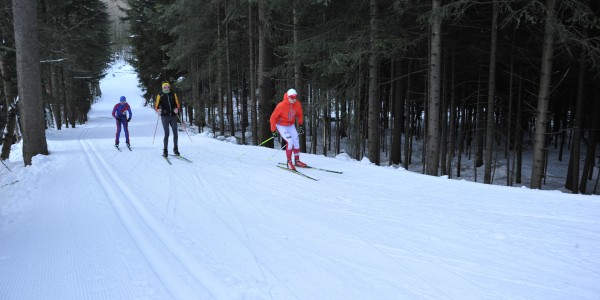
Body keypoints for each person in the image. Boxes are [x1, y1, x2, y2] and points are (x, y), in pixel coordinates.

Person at [269, 88, 306, 170]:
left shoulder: (297, 104)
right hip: (281, 125)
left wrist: (300, 125)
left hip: (291, 125)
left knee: (296, 141)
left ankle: (297, 161)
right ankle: (289, 162)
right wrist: (273, 130)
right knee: (290, 141)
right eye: (292, 98)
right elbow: (273, 118)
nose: (294, 100)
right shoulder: (281, 105)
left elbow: (300, 114)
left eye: (295, 97)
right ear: (288, 97)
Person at [155, 82, 181, 157]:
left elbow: (177, 103)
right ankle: (165, 150)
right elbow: (156, 106)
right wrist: (158, 110)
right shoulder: (160, 95)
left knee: (175, 133)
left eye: (168, 87)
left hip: (173, 116)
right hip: (164, 116)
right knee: (167, 133)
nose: (167, 88)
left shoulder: (173, 94)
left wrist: (177, 108)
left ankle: (175, 149)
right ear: (162, 88)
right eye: (165, 87)